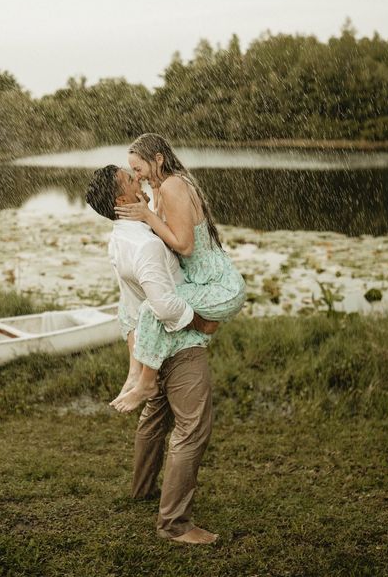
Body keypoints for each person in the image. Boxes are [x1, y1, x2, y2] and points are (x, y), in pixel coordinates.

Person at [86, 165, 219, 544]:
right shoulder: (143, 245)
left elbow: (134, 299)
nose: (138, 178)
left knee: (155, 414)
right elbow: (164, 306)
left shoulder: (122, 236)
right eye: (131, 180)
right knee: (192, 428)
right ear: (120, 200)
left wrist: (138, 350)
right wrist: (201, 322)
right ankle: (174, 524)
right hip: (178, 344)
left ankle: (141, 489)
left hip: (151, 348)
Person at [110, 133, 246, 413]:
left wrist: (147, 216)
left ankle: (147, 383)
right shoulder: (162, 186)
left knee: (152, 309)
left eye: (138, 169)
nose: (137, 176)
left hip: (218, 286)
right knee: (127, 309)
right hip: (199, 283)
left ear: (158, 159)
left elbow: (184, 246)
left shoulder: (173, 185)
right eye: (133, 172)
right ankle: (134, 374)